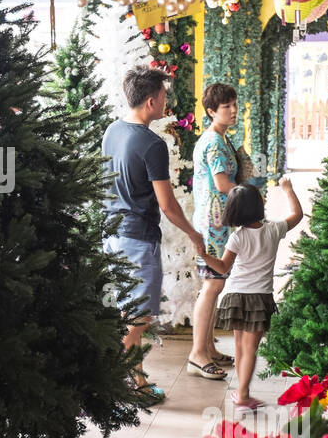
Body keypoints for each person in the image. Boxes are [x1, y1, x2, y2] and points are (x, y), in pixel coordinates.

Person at [103, 66, 205, 401]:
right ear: (150, 100)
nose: (166, 101)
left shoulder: (112, 131)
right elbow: (168, 205)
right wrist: (193, 233)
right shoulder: (152, 144)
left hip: (112, 233)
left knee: (125, 312)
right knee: (138, 317)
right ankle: (123, 386)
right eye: (163, 96)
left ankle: (133, 380)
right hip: (138, 239)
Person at [198, 177, 303, 409]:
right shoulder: (274, 230)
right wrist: (288, 189)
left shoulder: (237, 237)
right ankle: (243, 393)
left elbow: (223, 268)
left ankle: (241, 390)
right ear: (257, 206)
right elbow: (298, 214)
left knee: (239, 345)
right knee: (250, 349)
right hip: (259, 298)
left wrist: (205, 257)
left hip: (236, 296)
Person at [189, 82, 239, 380]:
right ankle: (197, 353)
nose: (233, 111)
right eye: (226, 107)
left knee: (214, 285)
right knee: (212, 285)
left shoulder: (217, 138)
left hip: (215, 221)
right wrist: (250, 193)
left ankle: (207, 346)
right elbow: (222, 185)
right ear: (211, 111)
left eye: (234, 104)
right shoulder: (215, 143)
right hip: (214, 224)